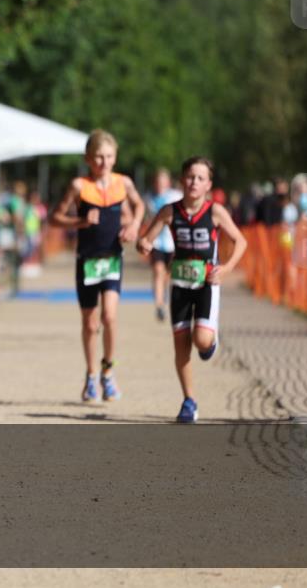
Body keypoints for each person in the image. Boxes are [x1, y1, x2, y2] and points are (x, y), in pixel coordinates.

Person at [138, 156, 247, 423]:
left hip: (207, 282)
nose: (194, 182)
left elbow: (240, 241)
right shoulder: (169, 211)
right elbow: (146, 239)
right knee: (181, 346)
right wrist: (143, 245)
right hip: (180, 284)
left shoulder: (215, 212)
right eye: (189, 177)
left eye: (200, 178)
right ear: (181, 180)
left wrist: (227, 268)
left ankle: (210, 340)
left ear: (208, 184)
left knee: (201, 341)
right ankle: (189, 401)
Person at [51, 129, 144, 402]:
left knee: (109, 317)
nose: (104, 162)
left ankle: (108, 371)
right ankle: (91, 375)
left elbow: (139, 206)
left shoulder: (123, 183)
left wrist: (134, 225)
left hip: (112, 259)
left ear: (115, 157)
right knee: (91, 324)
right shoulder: (79, 186)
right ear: (88, 159)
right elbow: (55, 218)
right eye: (99, 157)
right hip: (87, 261)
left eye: (109, 156)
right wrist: (79, 222)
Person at [145, 169, 182, 322]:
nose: (160, 185)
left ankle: (164, 297)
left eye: (162, 182)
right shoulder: (149, 198)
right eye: (157, 182)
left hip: (173, 243)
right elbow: (147, 219)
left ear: (168, 182)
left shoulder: (176, 196)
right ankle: (159, 305)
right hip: (156, 243)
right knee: (158, 271)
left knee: (167, 275)